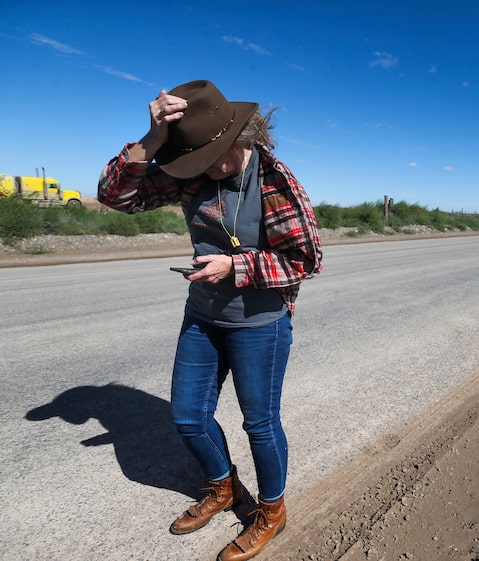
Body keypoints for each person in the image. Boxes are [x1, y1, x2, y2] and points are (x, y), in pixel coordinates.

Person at [98, 80, 322, 561]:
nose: (206, 167)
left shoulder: (274, 180)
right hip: (202, 316)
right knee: (187, 418)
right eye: (194, 157)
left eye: (215, 154)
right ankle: (224, 490)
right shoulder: (191, 170)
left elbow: (306, 259)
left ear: (237, 137)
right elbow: (116, 197)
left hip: (259, 323)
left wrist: (234, 266)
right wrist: (152, 139)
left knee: (259, 424)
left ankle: (272, 511)